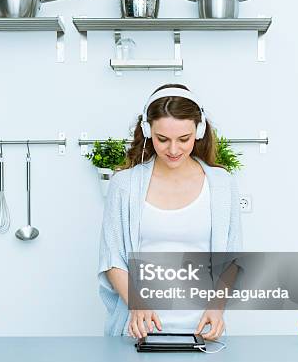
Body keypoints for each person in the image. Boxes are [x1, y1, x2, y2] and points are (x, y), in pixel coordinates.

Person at [98, 83, 242, 339]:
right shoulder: (124, 185)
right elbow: (112, 258)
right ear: (147, 131)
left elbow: (232, 258)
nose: (173, 150)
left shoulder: (222, 183)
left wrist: (217, 307)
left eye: (183, 139)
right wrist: (137, 303)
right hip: (139, 331)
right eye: (162, 139)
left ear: (198, 132)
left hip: (203, 331)